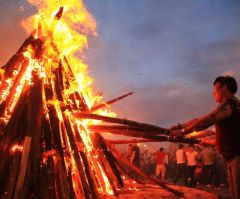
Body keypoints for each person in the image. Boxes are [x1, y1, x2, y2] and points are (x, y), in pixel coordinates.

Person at [170, 76, 240, 199]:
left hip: (237, 158)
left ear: (224, 88)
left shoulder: (230, 105)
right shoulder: (229, 105)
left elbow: (207, 120)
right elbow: (200, 120)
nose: (213, 93)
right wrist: (179, 126)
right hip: (232, 158)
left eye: (215, 89)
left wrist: (184, 131)